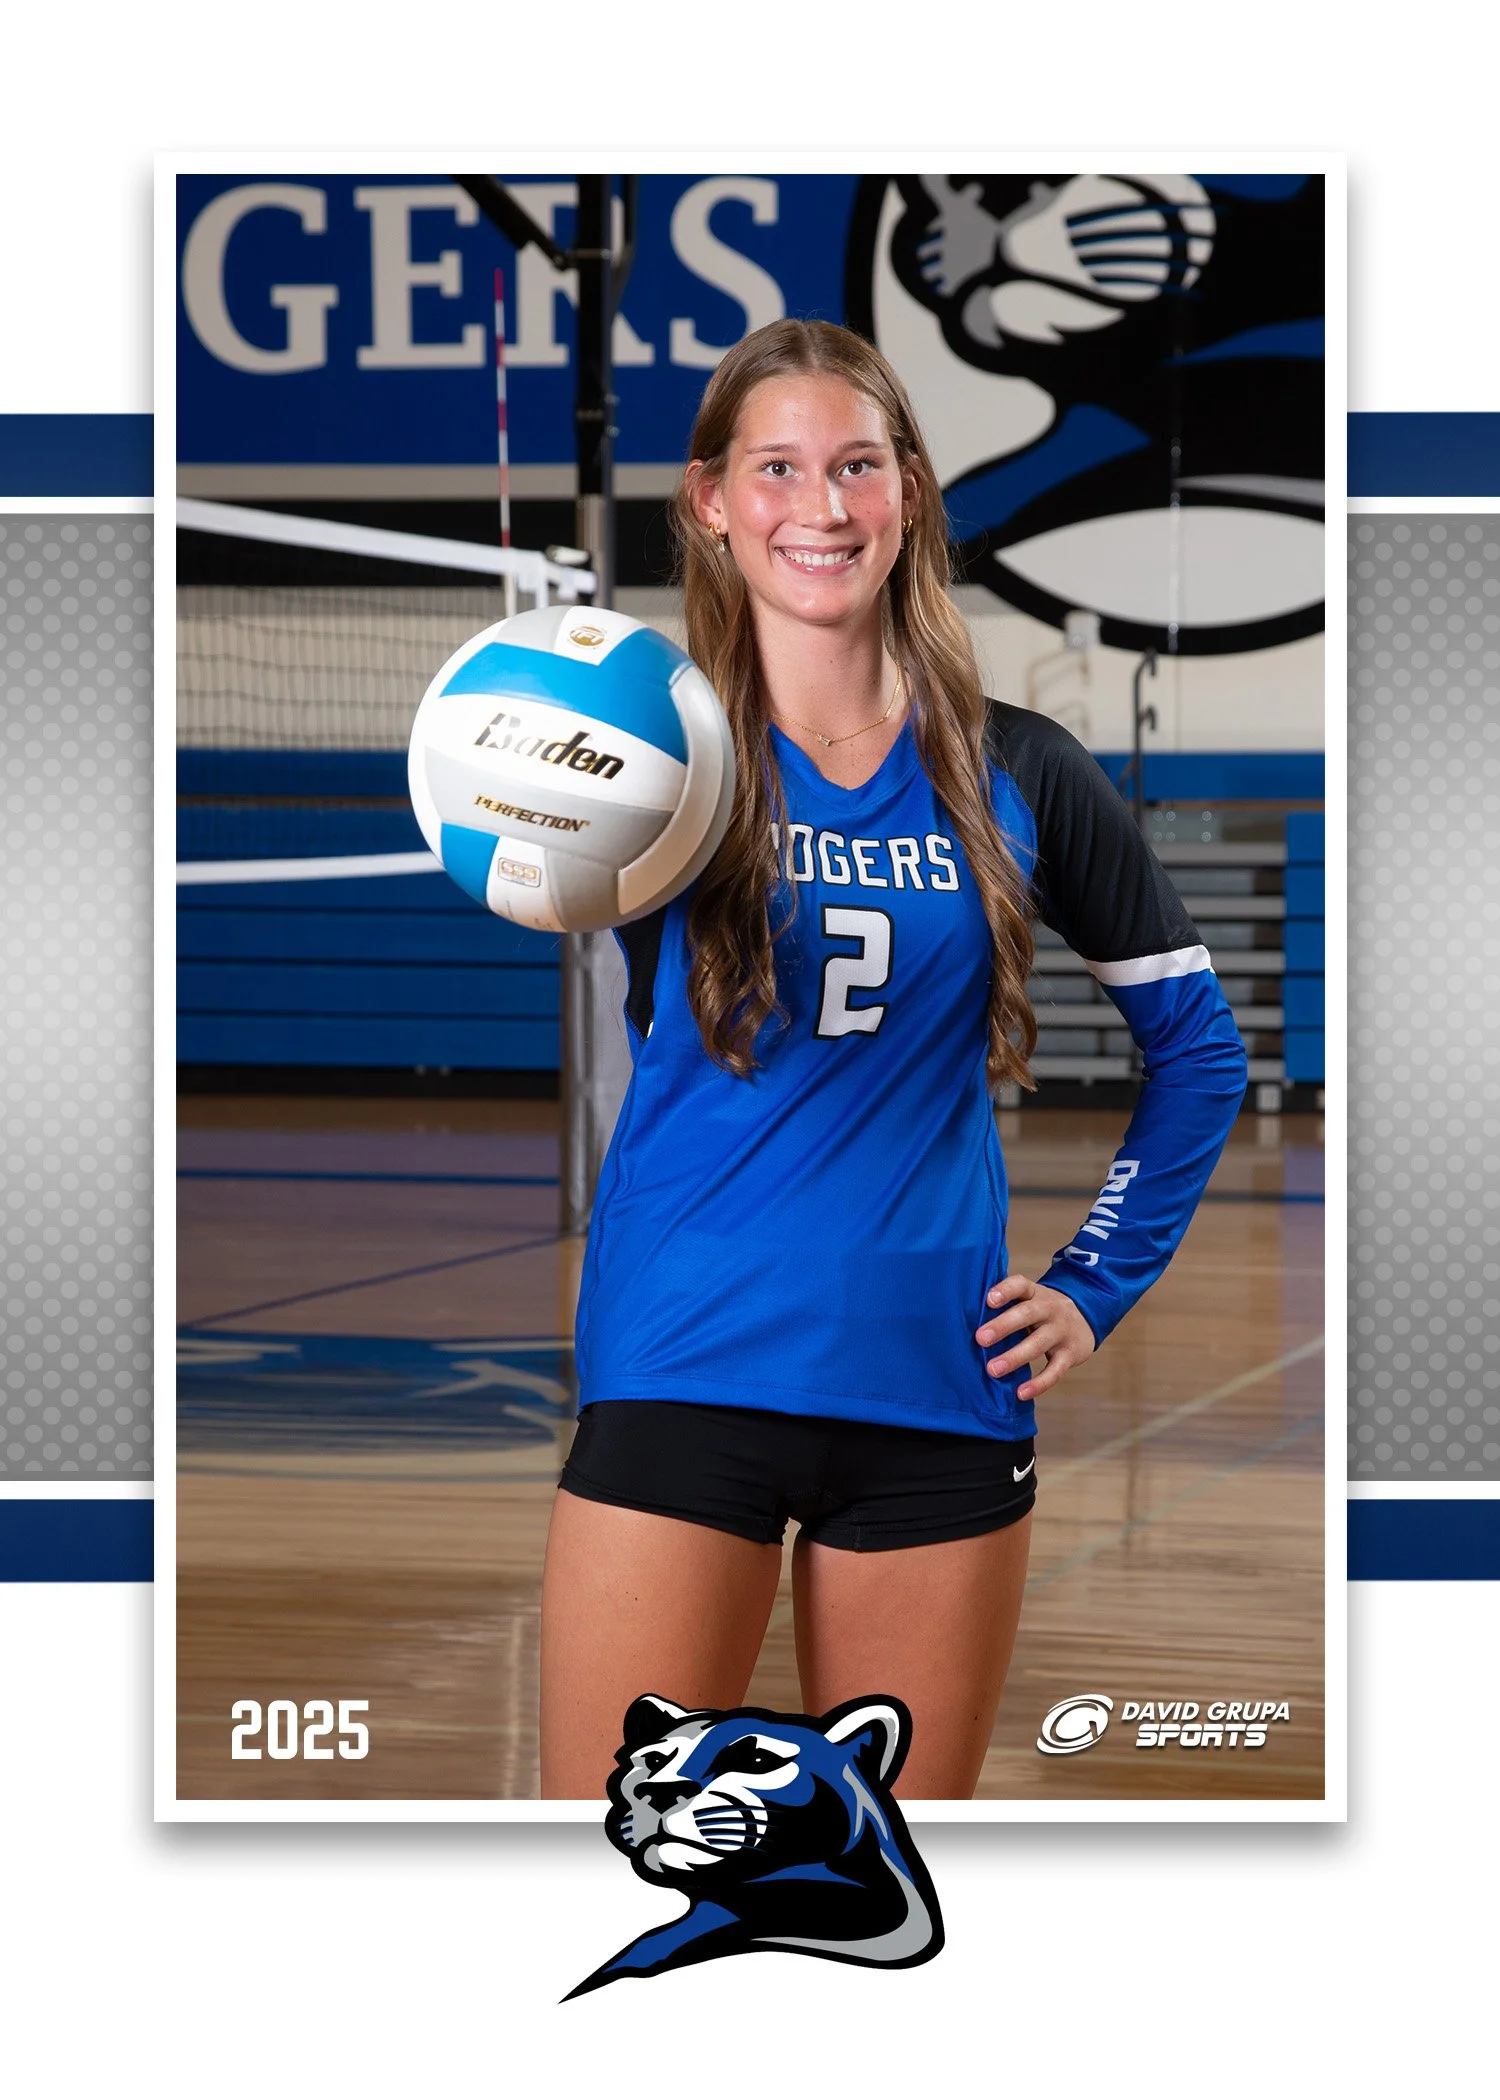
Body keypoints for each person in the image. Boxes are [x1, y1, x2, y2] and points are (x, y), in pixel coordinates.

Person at [539, 319, 1247, 1799]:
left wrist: (1093, 1284)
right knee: (608, 1859)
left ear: (910, 492)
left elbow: (1198, 1050)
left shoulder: (1021, 768)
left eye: (859, 466)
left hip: (933, 1388)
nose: (824, 506)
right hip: (684, 1370)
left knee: (899, 1889)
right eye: (780, 469)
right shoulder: (653, 764)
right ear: (713, 501)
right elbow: (515, 827)